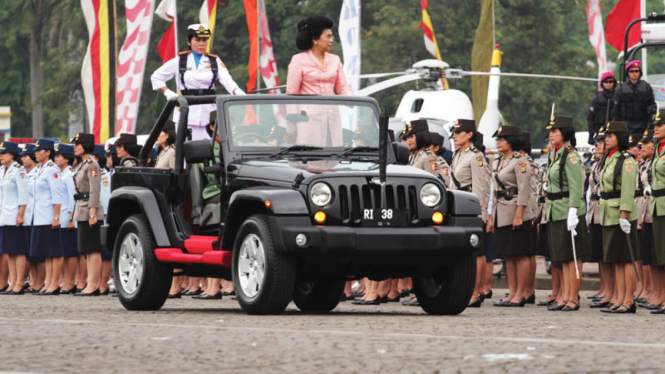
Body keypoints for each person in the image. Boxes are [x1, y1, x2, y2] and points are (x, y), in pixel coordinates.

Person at [151, 24, 244, 141]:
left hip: (208, 113)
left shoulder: (214, 60)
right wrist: (168, 93)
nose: (201, 44)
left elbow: (228, 81)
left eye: (204, 40)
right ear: (189, 42)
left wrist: (240, 94)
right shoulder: (180, 61)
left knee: (207, 151)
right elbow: (156, 77)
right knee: (184, 153)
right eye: (197, 40)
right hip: (185, 111)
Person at [544, 115, 590, 312]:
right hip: (556, 210)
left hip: (568, 209)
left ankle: (573, 297)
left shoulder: (570, 155)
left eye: (555, 131)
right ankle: (564, 295)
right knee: (562, 256)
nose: (551, 135)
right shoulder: (556, 154)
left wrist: (573, 210)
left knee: (572, 256)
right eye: (550, 132)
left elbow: (576, 185)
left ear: (565, 134)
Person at [286, 16, 352, 147]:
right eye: (328, 36)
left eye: (332, 36)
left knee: (333, 157)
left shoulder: (335, 60)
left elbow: (343, 88)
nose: (331, 40)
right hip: (307, 120)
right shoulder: (298, 60)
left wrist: (352, 101)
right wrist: (292, 122)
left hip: (332, 118)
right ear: (315, 39)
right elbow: (291, 93)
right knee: (310, 159)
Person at [487, 126, 534, 307]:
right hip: (501, 211)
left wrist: (519, 215)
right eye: (498, 139)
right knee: (508, 255)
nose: (498, 142)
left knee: (520, 254)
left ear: (511, 142)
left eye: (502, 139)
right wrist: (491, 216)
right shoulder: (499, 160)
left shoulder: (520, 161)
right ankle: (512, 291)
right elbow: (494, 190)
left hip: (515, 210)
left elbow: (524, 190)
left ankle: (521, 293)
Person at [449, 119, 491, 307]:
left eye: (459, 133)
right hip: (457, 208)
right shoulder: (458, 154)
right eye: (455, 134)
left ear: (469, 135)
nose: (455, 137)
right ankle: (466, 289)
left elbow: (481, 186)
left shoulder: (476, 156)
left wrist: (479, 213)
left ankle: (476, 291)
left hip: (470, 209)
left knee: (477, 252)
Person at [599, 121, 639, 314]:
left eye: (611, 136)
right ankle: (619, 298)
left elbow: (627, 190)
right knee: (616, 259)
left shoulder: (627, 160)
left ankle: (628, 300)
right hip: (608, 213)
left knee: (626, 259)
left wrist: (624, 215)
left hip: (621, 214)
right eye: (606, 136)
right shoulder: (610, 158)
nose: (606, 139)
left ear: (620, 138)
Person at [71, 133, 106, 296]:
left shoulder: (92, 164)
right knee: (87, 250)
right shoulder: (83, 164)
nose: (75, 147)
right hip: (82, 208)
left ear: (86, 145)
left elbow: (95, 190)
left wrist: (92, 213)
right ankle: (91, 283)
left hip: (90, 210)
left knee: (93, 249)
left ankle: (94, 284)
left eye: (78, 144)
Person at [29, 139, 65, 296]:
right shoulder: (39, 169)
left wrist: (56, 216)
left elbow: (57, 194)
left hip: (50, 215)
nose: (36, 153)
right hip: (39, 216)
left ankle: (54, 284)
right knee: (46, 252)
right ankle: (48, 282)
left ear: (48, 152)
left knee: (54, 252)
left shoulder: (52, 169)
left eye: (40, 150)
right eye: (36, 150)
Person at [588, 127, 617, 309]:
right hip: (596, 210)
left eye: (601, 142)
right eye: (597, 142)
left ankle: (612, 291)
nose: (598, 145)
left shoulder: (611, 163)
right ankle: (606, 289)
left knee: (609, 256)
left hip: (606, 209)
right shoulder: (598, 163)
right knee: (600, 255)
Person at [0, 141, 29, 295]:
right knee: (9, 251)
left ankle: (19, 282)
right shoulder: (2, 170)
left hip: (15, 215)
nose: (1, 156)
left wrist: (21, 214)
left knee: (18, 251)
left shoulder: (19, 170)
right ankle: (12, 282)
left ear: (12, 154)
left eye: (4, 153)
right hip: (4, 215)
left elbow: (23, 194)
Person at [636, 130, 659, 310]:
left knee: (656, 253)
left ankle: (654, 290)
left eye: (645, 143)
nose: (641, 147)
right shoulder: (645, 163)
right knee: (647, 254)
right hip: (647, 207)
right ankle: (651, 290)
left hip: (655, 206)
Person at [19, 144, 44, 293]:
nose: (23, 159)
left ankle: (39, 281)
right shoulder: (27, 173)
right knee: (31, 252)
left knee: (38, 253)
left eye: (25, 156)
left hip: (36, 216)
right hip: (29, 217)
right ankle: (34, 280)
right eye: (21, 156)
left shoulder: (38, 172)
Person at [54, 144, 79, 294]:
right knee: (62, 251)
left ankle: (70, 281)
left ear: (67, 159)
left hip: (67, 217)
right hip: (61, 217)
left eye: (59, 156)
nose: (56, 159)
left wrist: (71, 217)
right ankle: (64, 280)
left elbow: (72, 198)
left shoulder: (70, 175)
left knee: (70, 252)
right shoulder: (60, 174)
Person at [648, 114, 665, 314]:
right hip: (657, 205)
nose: (656, 128)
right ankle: (661, 295)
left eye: (660, 125)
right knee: (660, 255)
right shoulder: (658, 150)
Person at [612, 61, 657, 134]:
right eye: (631, 71)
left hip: (644, 125)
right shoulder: (621, 90)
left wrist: (651, 123)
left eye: (636, 71)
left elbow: (652, 105)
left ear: (640, 72)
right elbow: (616, 111)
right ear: (628, 73)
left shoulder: (646, 87)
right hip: (626, 126)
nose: (634, 73)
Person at [587, 72, 617, 144]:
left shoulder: (618, 97)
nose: (608, 84)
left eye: (610, 81)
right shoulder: (597, 99)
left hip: (615, 131)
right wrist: (591, 135)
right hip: (600, 131)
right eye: (606, 82)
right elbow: (590, 118)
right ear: (602, 83)